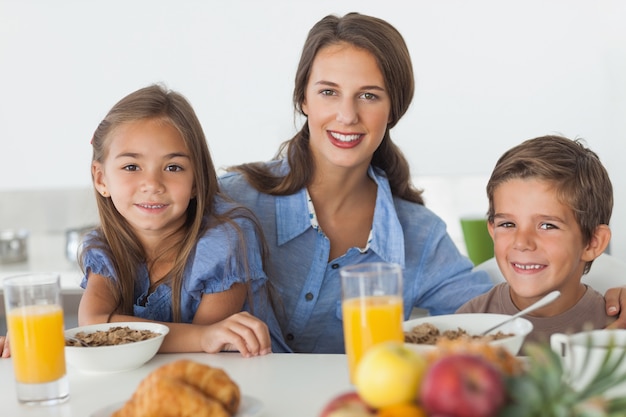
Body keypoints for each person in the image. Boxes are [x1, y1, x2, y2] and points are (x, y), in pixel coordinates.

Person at [219, 12, 496, 353]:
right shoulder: (230, 202)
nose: (347, 115)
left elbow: (494, 322)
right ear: (303, 99)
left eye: (368, 96)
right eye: (329, 92)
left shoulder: (420, 237)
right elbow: (142, 313)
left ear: (394, 108)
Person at [76, 84, 288, 356]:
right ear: (101, 179)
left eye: (173, 167)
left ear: (197, 181)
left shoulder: (224, 242)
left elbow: (202, 350)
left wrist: (202, 338)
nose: (152, 184)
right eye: (131, 167)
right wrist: (201, 337)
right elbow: (94, 324)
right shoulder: (105, 250)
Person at [457, 135, 615, 346]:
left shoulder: (615, 324)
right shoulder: (466, 324)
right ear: (492, 231)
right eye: (507, 224)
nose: (521, 242)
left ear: (592, 243)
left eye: (547, 226)